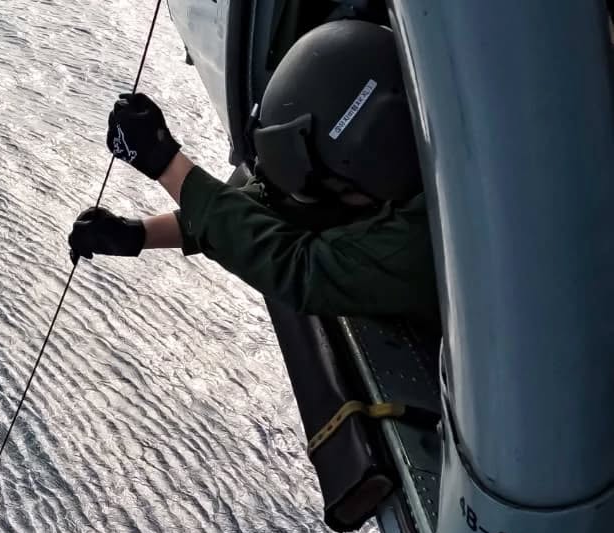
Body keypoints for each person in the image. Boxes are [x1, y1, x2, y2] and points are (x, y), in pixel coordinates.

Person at [69, 20, 440, 336]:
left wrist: (164, 163)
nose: (319, 195)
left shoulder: (434, 234)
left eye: (328, 183)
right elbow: (281, 204)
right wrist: (136, 234)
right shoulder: (432, 145)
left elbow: (303, 270)